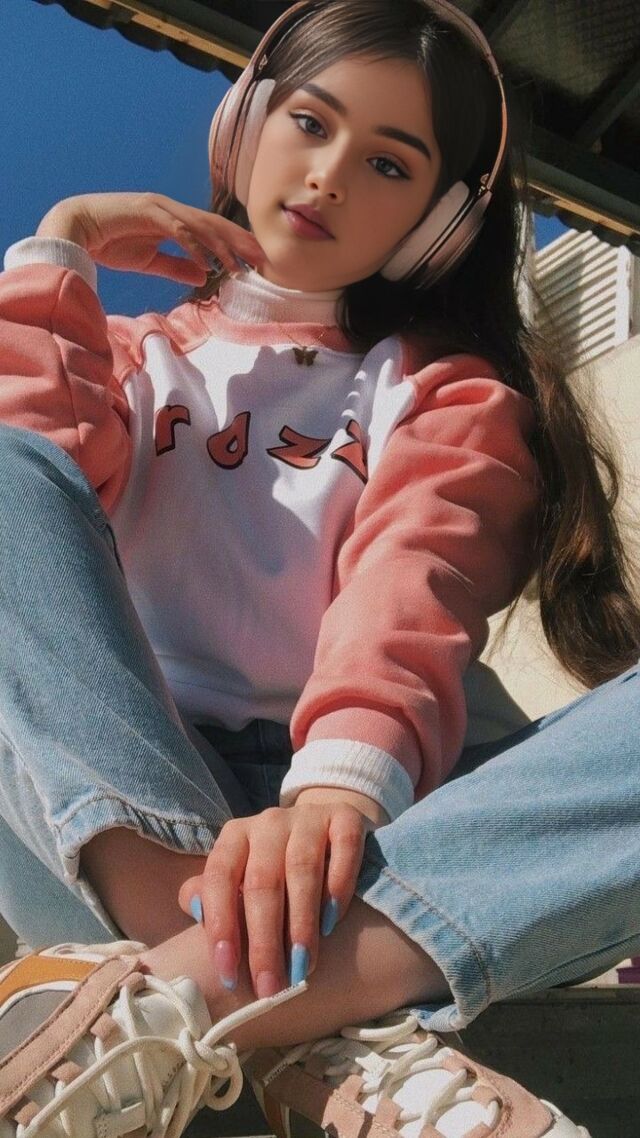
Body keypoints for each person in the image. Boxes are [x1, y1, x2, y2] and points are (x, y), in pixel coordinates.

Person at [0, 0, 638, 1134]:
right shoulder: (129, 360)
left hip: (370, 836)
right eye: (308, 121)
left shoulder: (441, 389)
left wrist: (333, 792)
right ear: (243, 124)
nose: (330, 174)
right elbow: (25, 518)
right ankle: (290, 1007)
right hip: (117, 814)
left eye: (388, 162)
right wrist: (63, 243)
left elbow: (411, 582)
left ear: (439, 225)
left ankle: (178, 997)